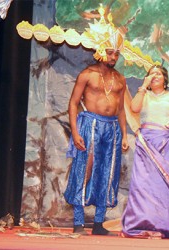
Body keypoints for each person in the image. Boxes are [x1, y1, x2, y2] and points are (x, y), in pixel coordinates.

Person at [121, 65, 169, 239]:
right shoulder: (144, 95)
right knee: (143, 185)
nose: (154, 76)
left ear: (165, 78)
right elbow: (134, 108)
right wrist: (143, 86)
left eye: (158, 74)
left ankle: (167, 226)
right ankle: (139, 225)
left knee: (166, 187)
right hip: (147, 143)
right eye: (151, 74)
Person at [64, 48, 129, 235]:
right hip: (90, 124)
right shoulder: (87, 75)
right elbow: (73, 103)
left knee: (107, 173)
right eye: (110, 53)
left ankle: (99, 224)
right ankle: (78, 223)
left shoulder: (120, 79)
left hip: (112, 128)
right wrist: (75, 133)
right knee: (84, 170)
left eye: (116, 54)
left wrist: (124, 134)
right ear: (100, 53)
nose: (114, 57)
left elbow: (122, 109)